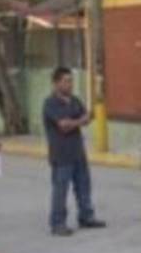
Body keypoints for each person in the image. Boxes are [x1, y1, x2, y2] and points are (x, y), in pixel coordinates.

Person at [44, 67, 106, 237]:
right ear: (56, 83)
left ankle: (86, 216)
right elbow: (63, 126)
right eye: (66, 81)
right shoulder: (50, 103)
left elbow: (87, 117)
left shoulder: (74, 101)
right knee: (60, 189)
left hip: (78, 152)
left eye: (70, 80)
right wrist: (79, 121)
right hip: (61, 154)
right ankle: (57, 223)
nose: (69, 84)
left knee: (84, 186)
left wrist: (79, 120)